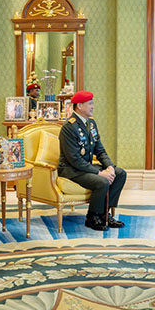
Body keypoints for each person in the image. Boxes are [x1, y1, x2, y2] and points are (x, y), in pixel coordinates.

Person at [58, 90, 126, 231]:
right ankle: (92, 217)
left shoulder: (91, 124)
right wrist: (100, 173)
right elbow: (74, 159)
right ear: (80, 106)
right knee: (101, 181)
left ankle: (104, 214)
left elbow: (100, 150)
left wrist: (109, 167)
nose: (93, 106)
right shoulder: (69, 127)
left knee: (120, 173)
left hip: (85, 167)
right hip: (71, 170)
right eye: (90, 103)